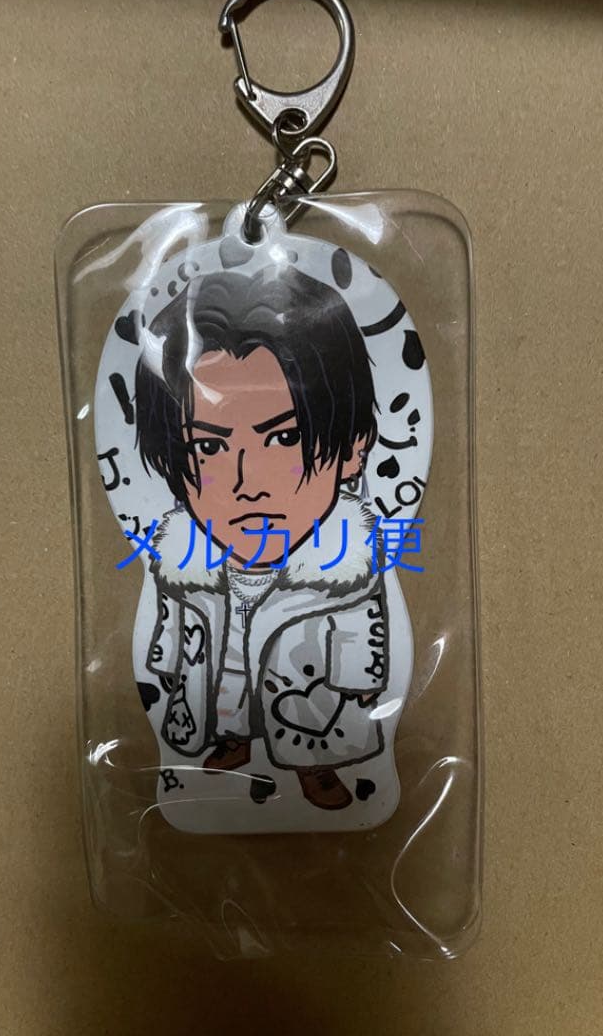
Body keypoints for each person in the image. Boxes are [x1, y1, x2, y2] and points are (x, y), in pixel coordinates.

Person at [133, 265, 408, 811]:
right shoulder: (185, 569)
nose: (247, 483)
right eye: (208, 448)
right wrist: (166, 660)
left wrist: (363, 679)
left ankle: (315, 768)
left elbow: (364, 631)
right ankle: (234, 741)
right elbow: (173, 627)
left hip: (308, 693)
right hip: (226, 662)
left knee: (313, 722)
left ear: (355, 447)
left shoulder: (345, 573)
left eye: (283, 438)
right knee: (229, 692)